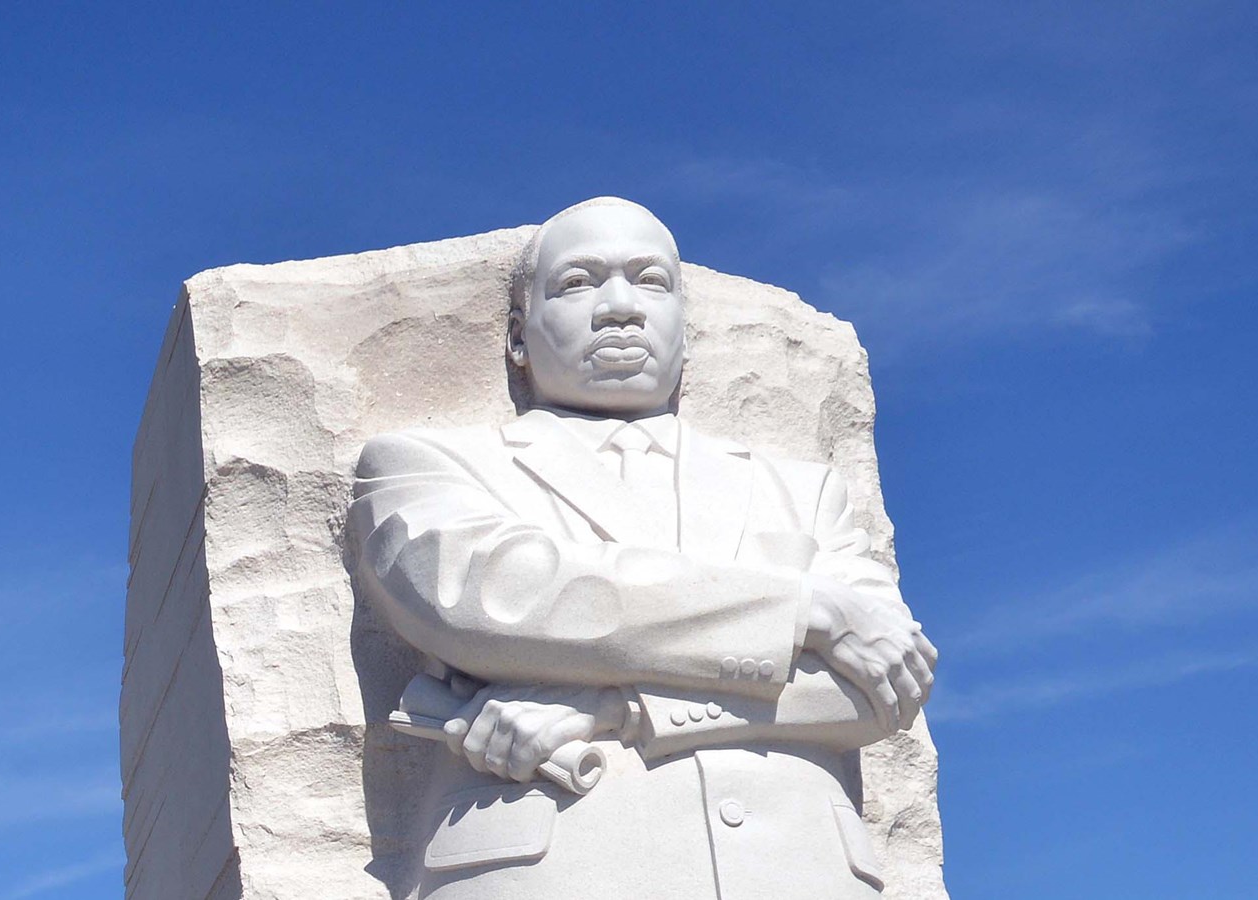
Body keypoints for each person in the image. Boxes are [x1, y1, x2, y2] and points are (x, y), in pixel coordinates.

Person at [349, 197, 936, 900]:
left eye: (650, 280)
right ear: (516, 337)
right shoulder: (424, 465)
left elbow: (880, 690)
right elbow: (498, 597)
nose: (619, 307)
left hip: (801, 871)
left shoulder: (803, 491)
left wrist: (613, 709)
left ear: (687, 330)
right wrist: (806, 611)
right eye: (578, 282)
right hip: (554, 872)